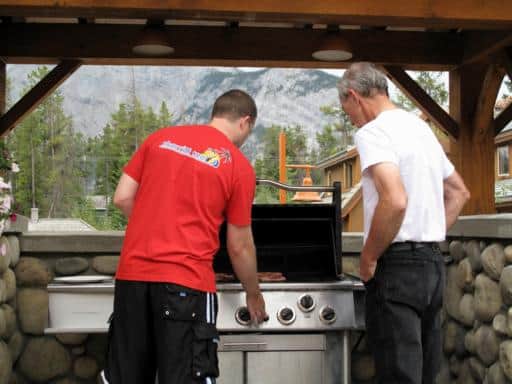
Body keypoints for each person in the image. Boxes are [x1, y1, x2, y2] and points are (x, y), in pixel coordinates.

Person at [102, 89, 268, 384]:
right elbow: (239, 246)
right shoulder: (238, 165)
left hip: (132, 280)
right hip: (186, 285)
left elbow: (122, 197)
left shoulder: (159, 139)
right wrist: (253, 294)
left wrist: (155, 224)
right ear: (245, 122)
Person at [337, 63, 470, 384]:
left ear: (354, 96)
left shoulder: (372, 132)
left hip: (396, 266)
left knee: (398, 374)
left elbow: (394, 199)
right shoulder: (421, 129)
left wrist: (368, 258)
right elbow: (459, 193)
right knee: (424, 373)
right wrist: (428, 231)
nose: (351, 119)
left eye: (348, 112)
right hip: (432, 265)